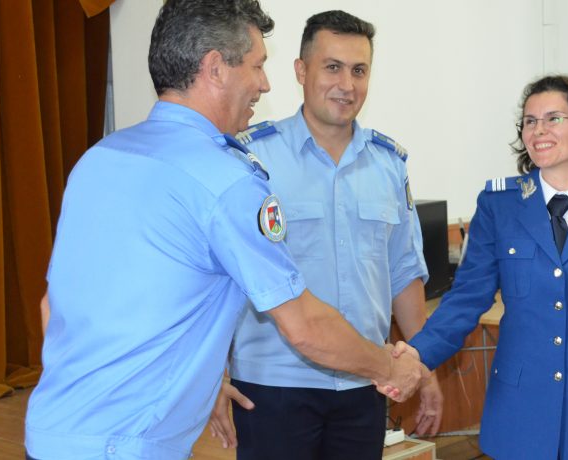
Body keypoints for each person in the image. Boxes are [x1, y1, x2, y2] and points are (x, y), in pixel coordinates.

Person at [23, 1, 427, 458]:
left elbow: (52, 306)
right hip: (128, 445)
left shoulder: (99, 159)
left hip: (52, 434)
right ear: (216, 68)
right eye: (257, 66)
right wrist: (390, 368)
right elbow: (305, 326)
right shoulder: (227, 180)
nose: (264, 84)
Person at [207, 10, 443, 459]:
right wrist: (213, 376)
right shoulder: (252, 160)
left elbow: (403, 274)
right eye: (332, 67)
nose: (346, 85)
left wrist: (423, 365)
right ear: (301, 70)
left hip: (365, 381)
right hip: (273, 384)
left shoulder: (388, 164)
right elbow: (221, 278)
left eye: (359, 70)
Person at [398, 75, 568, 459]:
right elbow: (466, 299)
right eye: (529, 121)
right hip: (520, 411)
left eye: (553, 118)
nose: (538, 130)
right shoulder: (499, 204)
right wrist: (416, 354)